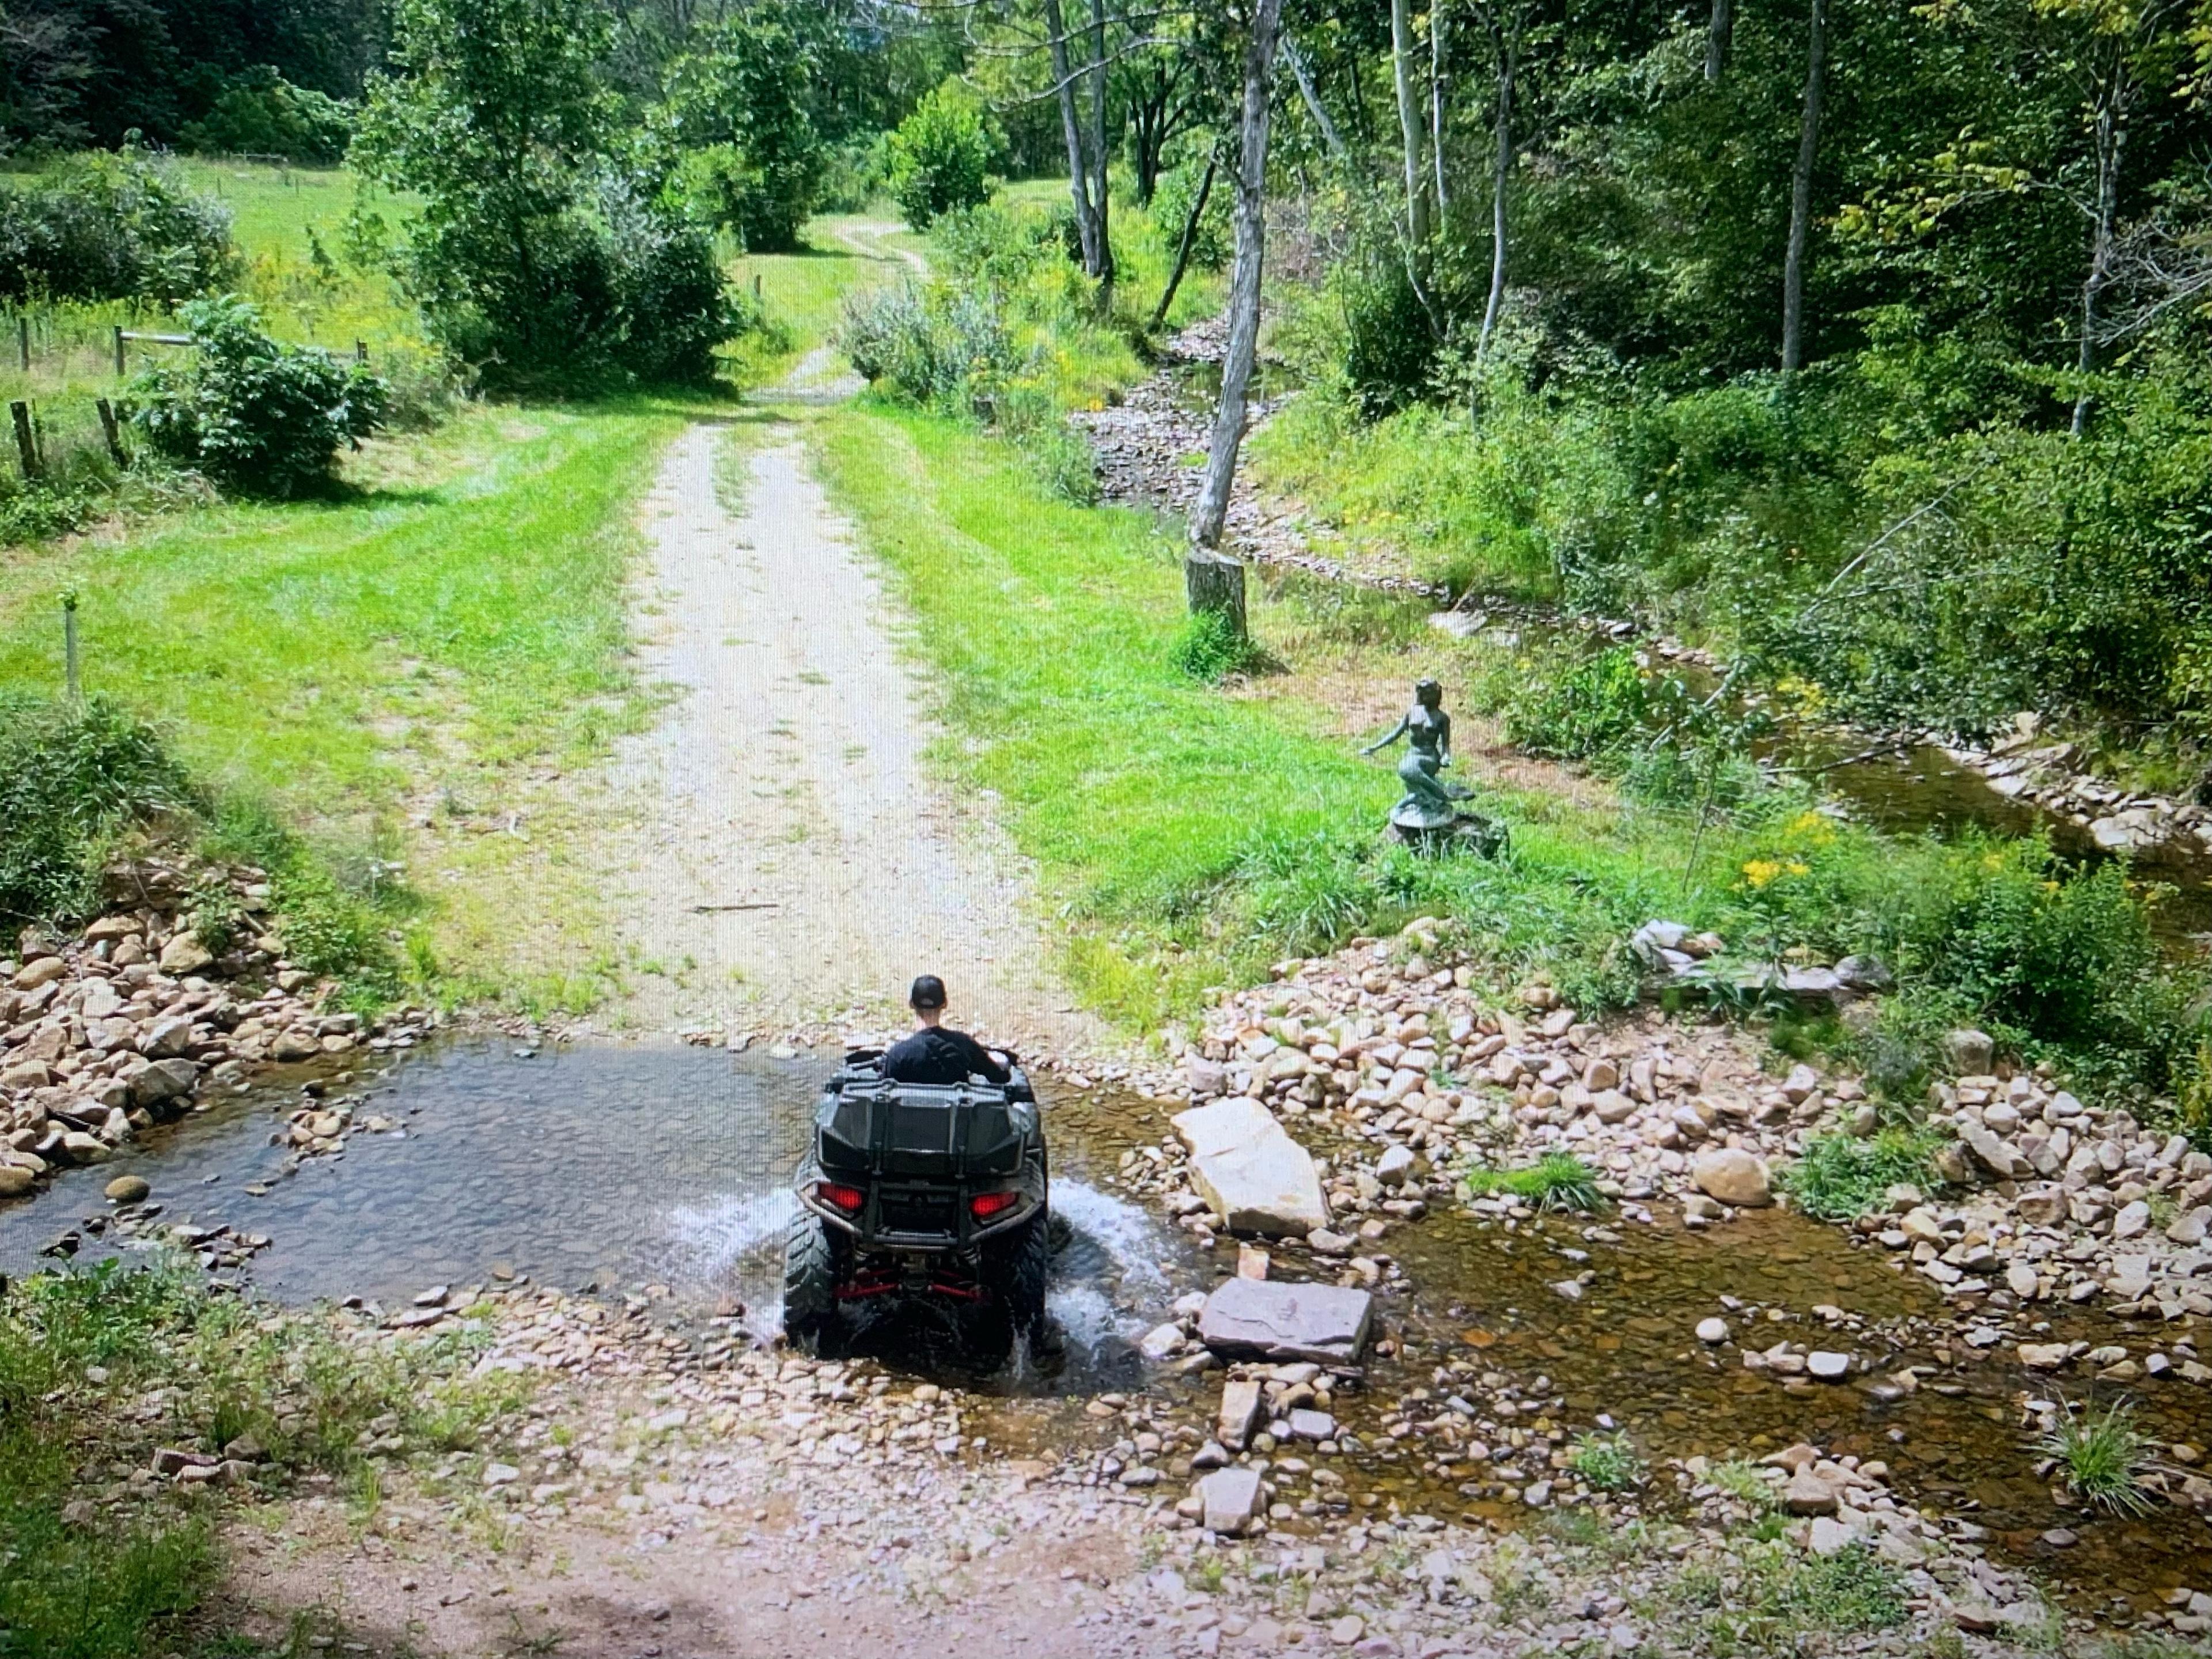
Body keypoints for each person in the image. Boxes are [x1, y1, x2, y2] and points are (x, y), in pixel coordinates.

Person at [881, 975, 1012, 1085]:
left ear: (911, 1004)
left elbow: (885, 1090)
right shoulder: (964, 1045)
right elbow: (1000, 1078)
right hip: (959, 1116)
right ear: (945, 1004)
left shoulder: (898, 1054)